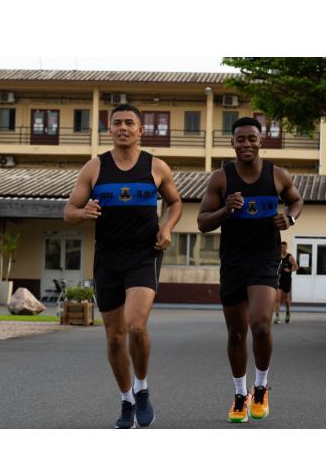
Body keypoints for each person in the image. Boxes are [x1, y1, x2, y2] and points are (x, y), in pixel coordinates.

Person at [63, 103, 182, 429]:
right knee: (115, 338)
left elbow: (175, 203)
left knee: (135, 326)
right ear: (110, 129)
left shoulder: (156, 167)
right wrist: (83, 212)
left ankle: (142, 388)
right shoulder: (94, 167)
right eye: (117, 123)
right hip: (108, 259)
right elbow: (68, 211)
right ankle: (127, 398)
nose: (123, 128)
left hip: (145, 255)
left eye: (130, 123)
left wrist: (167, 227)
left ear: (141, 130)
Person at [197, 117, 303, 423]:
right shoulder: (221, 179)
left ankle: (260, 387)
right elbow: (202, 223)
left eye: (252, 139)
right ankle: (240, 395)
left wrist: (291, 219)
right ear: (232, 143)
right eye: (240, 139)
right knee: (236, 332)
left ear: (261, 142)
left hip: (265, 259)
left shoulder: (278, 175)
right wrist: (225, 209)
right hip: (232, 261)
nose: (246, 144)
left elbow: (296, 201)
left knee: (260, 324)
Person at [274, 241, 298, 324]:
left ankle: (288, 312)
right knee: (277, 298)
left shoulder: (290, 257)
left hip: (287, 280)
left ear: (286, 248)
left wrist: (290, 270)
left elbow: (296, 267)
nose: (282, 249)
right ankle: (277, 316)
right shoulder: (277, 256)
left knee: (286, 299)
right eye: (281, 247)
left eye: (284, 247)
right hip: (278, 280)